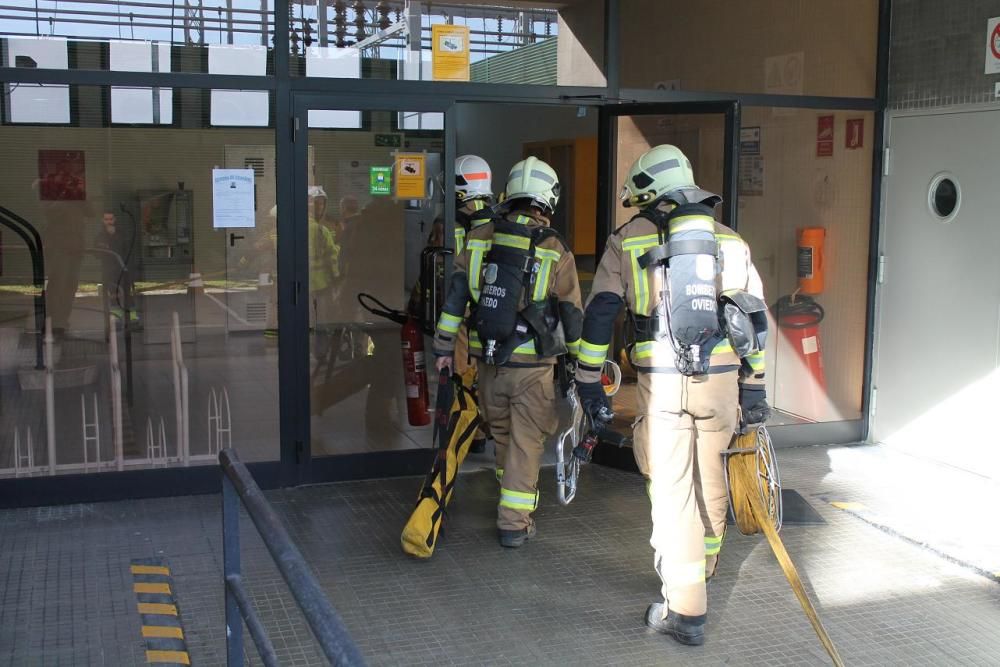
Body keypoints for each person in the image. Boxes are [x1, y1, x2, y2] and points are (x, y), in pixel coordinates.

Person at [574, 145, 769, 645]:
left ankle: (685, 610)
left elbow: (601, 315)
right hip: (722, 380)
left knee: (672, 489)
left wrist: (588, 377)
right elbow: (754, 319)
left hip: (662, 381)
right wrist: (755, 386)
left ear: (649, 189)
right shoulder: (730, 241)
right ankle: (703, 566)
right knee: (711, 477)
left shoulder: (629, 240)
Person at [433, 157, 583, 548]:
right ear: (547, 198)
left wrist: (444, 348)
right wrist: (584, 364)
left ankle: (511, 500)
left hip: (488, 364)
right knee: (526, 442)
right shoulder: (553, 247)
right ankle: (514, 523)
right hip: (532, 369)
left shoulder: (480, 236)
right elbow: (571, 313)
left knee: (502, 436)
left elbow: (455, 299)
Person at [92, 210, 137, 322]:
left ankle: (132, 318)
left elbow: (125, 250)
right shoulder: (99, 236)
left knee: (126, 293)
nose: (109, 222)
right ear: (103, 221)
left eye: (111, 219)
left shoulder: (122, 234)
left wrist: (112, 237)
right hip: (108, 270)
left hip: (122, 269)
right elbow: (97, 253)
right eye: (106, 219)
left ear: (115, 220)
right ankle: (116, 318)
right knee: (113, 294)